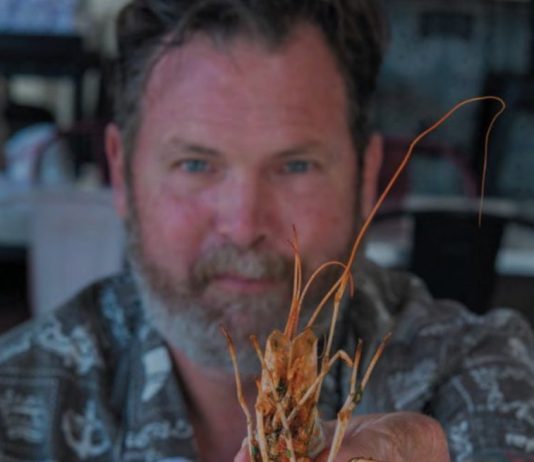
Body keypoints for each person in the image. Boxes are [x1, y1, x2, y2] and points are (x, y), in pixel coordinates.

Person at [0, 1, 533, 461]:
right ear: (121, 173)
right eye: (194, 164)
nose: (243, 226)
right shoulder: (16, 394)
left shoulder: (482, 369)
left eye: (297, 165)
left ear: (368, 175)